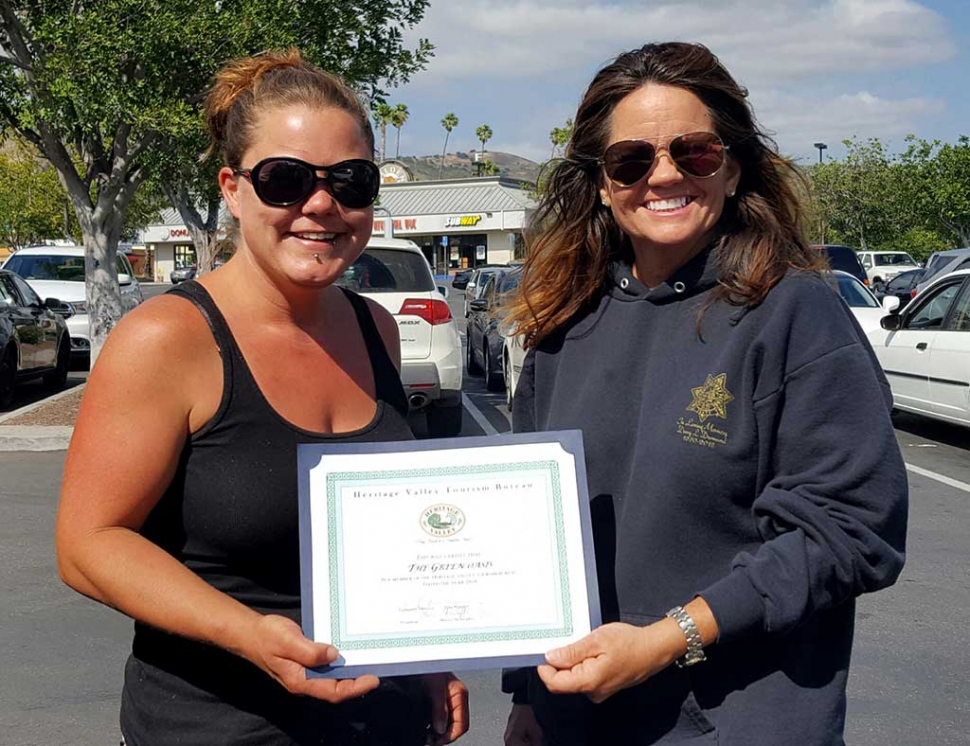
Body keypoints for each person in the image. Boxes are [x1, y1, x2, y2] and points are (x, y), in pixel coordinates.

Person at [55, 49, 468, 746]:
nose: (320, 204)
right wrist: (249, 635)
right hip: (220, 724)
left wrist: (426, 654)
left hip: (383, 723)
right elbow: (88, 545)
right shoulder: (168, 338)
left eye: (351, 181)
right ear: (233, 188)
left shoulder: (376, 330)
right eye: (285, 179)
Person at [502, 42, 907, 746]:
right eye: (632, 160)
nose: (663, 176)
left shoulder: (793, 313)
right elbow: (529, 535)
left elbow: (851, 528)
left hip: (738, 723)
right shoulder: (563, 327)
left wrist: (668, 639)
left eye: (692, 153)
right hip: (581, 724)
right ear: (601, 183)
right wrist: (527, 696)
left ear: (732, 165)